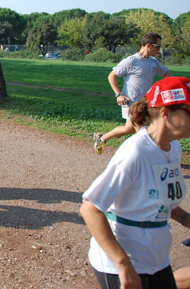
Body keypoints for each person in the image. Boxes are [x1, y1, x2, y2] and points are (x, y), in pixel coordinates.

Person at [80, 76, 190, 289]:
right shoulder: (135, 152)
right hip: (125, 260)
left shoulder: (173, 148)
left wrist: (186, 219)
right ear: (166, 114)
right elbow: (90, 209)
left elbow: (161, 199)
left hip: (157, 257)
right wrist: (123, 264)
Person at [94, 32, 172, 155]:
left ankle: (101, 138)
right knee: (143, 133)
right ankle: (152, 158)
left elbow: (167, 74)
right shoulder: (130, 61)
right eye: (157, 47)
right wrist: (118, 94)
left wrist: (170, 87)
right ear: (148, 45)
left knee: (128, 129)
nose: (159, 50)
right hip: (131, 104)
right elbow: (112, 76)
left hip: (146, 103)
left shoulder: (153, 62)